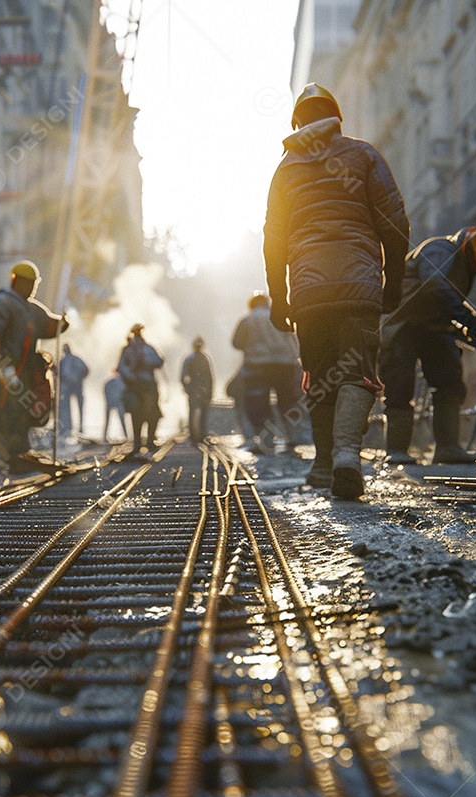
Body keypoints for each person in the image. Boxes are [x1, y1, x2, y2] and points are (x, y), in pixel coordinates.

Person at [264, 82, 410, 498]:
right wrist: (392, 282)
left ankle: (325, 466)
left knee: (321, 378)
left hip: (309, 295)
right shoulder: (363, 155)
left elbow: (272, 240)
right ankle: (347, 454)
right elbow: (395, 225)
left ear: (297, 123)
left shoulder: (286, 170)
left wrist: (280, 296)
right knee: (356, 373)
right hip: (359, 287)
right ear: (337, 119)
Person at [379, 224, 476, 464]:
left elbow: (444, 298)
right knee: (400, 383)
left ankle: (448, 447)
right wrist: (471, 320)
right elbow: (434, 285)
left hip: (434, 326)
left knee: (450, 382)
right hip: (403, 324)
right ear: (471, 248)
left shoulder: (466, 262)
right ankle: (397, 450)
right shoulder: (441, 250)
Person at [0, 261, 66, 471]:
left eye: (33, 283)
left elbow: (50, 325)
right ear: (15, 280)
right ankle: (15, 458)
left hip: (23, 371)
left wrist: (63, 322)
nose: (31, 287)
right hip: (6, 368)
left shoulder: (29, 308)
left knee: (22, 410)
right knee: (11, 409)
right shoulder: (3, 303)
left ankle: (20, 454)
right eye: (27, 282)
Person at [231, 293, 302, 453]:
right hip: (284, 365)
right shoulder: (280, 318)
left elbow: (236, 343)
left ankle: (265, 441)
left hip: (257, 365)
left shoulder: (247, 319)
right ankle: (292, 437)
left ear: (252, 305)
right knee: (287, 400)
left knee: (258, 402)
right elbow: (293, 342)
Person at [117, 324, 163, 456]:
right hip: (138, 386)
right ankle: (139, 443)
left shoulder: (145, 349)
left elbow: (159, 362)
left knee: (152, 414)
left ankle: (148, 441)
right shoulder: (135, 350)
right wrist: (131, 376)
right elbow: (121, 367)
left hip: (145, 385)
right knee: (137, 414)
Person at [181, 336, 214, 443]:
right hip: (199, 389)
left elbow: (183, 376)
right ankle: (198, 435)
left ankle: (196, 435)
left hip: (196, 390)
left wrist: (187, 388)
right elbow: (210, 377)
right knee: (200, 412)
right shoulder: (204, 359)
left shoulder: (190, 358)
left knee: (196, 412)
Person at [58, 342, 89, 438]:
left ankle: (76, 427)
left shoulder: (64, 361)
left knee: (68, 407)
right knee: (70, 407)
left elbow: (59, 374)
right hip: (73, 386)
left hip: (71, 386)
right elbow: (86, 370)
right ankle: (72, 427)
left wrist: (78, 379)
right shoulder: (76, 359)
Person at [103, 370, 128, 441]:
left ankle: (104, 436)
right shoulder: (123, 382)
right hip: (118, 402)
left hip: (110, 402)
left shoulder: (108, 382)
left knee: (107, 419)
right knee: (122, 419)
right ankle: (126, 436)